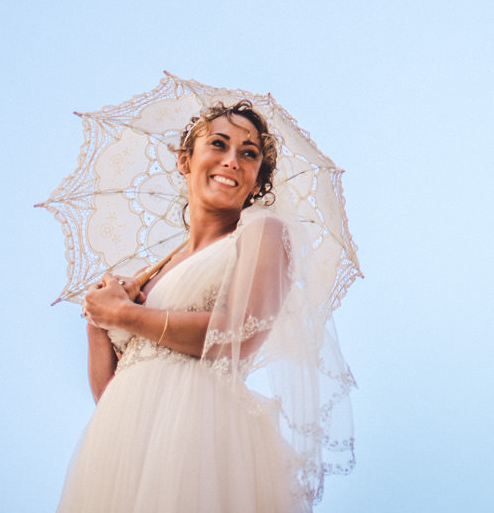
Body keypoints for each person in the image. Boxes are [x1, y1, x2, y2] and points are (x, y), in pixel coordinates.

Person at [55, 100, 347, 513]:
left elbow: (240, 333)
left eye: (249, 155)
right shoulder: (150, 274)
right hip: (122, 447)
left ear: (258, 180)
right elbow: (113, 393)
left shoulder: (261, 233)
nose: (232, 161)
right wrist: (97, 320)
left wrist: (123, 315)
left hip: (201, 439)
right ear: (185, 160)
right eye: (219, 144)